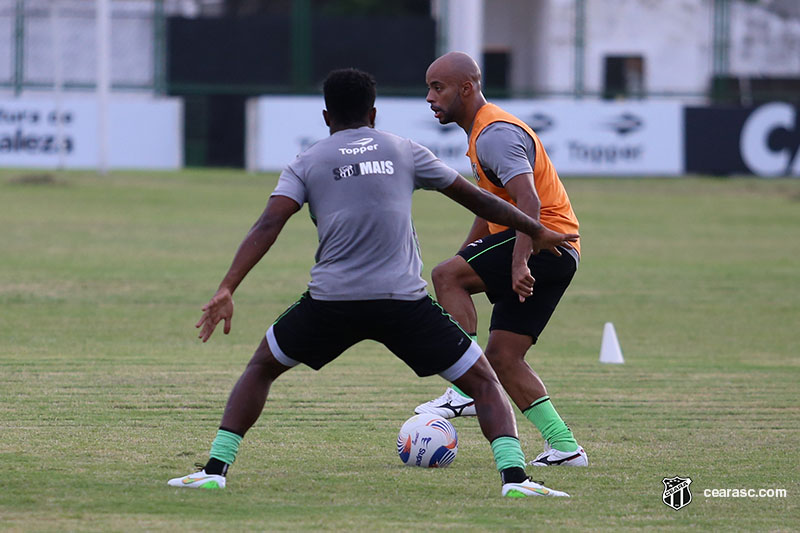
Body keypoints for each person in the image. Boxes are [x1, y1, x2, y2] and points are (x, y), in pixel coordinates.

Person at [167, 68, 579, 497]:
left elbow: (269, 223)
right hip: (402, 301)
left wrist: (227, 287)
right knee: (484, 382)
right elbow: (477, 198)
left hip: (331, 301)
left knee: (261, 368)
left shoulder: (306, 161)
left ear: (327, 117)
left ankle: (214, 469)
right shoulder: (404, 151)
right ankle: (515, 479)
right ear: (374, 113)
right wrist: (534, 228)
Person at [414, 52, 588, 468]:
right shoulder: (481, 133)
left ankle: (462, 388)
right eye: (429, 88)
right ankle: (565, 448)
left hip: (545, 243)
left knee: (445, 277)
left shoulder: (493, 134)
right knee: (504, 359)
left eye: (437, 88)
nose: (429, 97)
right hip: (559, 251)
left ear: (467, 88)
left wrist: (518, 262)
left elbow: (529, 201)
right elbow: (493, 207)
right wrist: (466, 255)